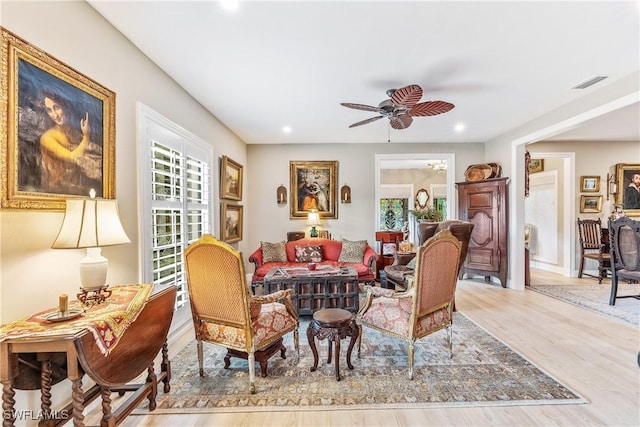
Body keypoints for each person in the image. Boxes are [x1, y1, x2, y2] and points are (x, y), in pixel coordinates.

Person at [39, 90, 102, 196]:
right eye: (49, 110)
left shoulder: (71, 130)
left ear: (65, 106)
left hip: (77, 189)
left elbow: (88, 152)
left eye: (57, 108)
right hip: (58, 191)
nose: (55, 115)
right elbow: (73, 157)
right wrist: (86, 136)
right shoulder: (47, 138)